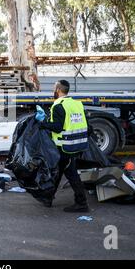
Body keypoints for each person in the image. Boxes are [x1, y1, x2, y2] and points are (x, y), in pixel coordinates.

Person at [36, 80, 89, 212]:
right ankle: (48, 198)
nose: (53, 91)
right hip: (76, 144)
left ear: (58, 89)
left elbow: (58, 128)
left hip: (65, 146)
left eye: (54, 88)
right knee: (58, 170)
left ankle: (82, 203)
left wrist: (42, 123)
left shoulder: (58, 105)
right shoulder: (76, 104)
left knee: (70, 173)